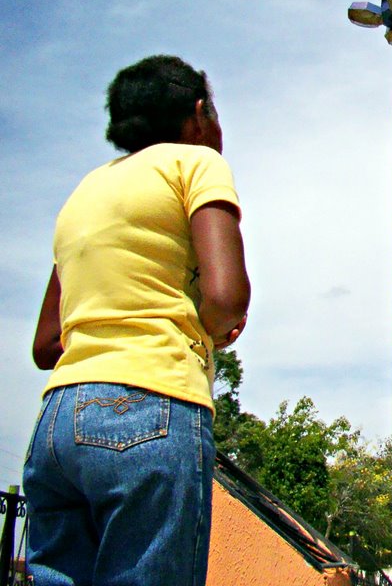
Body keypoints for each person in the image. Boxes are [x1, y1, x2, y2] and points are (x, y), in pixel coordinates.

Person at [23, 55, 251, 585]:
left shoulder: (84, 192)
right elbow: (225, 297)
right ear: (200, 113)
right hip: (150, 406)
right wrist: (218, 326)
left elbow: (45, 343)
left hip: (57, 424)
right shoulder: (195, 164)